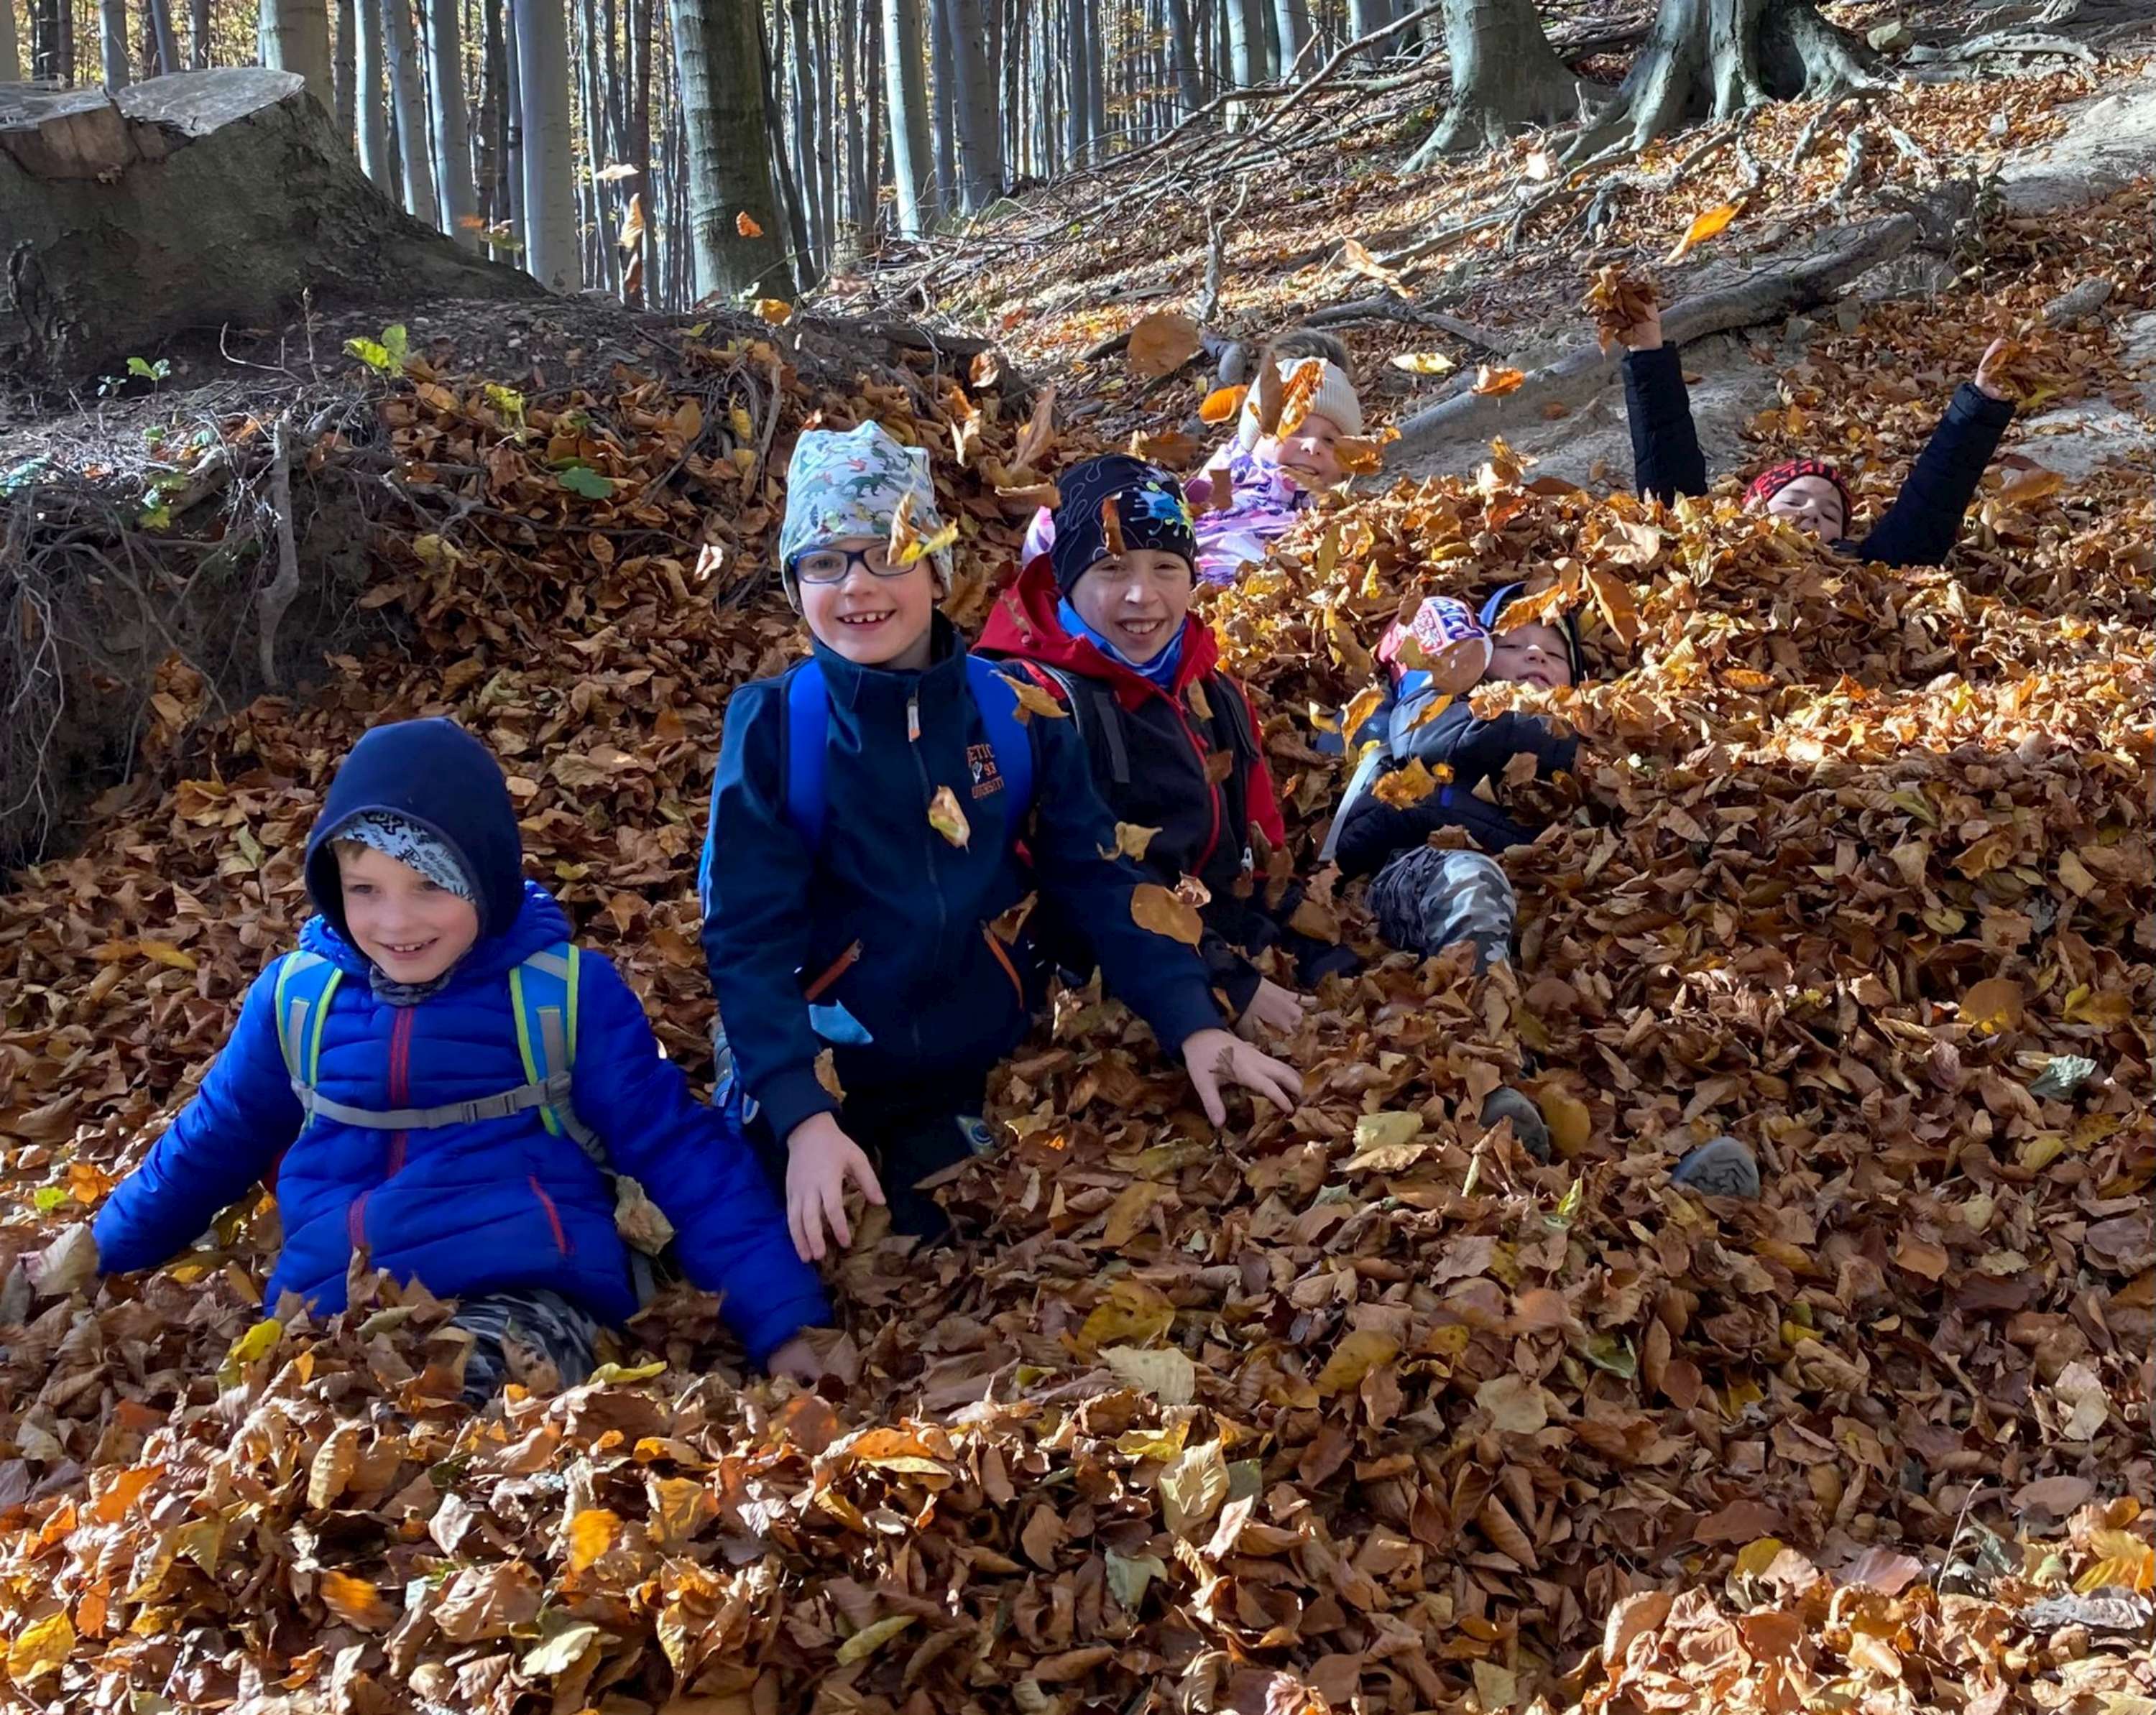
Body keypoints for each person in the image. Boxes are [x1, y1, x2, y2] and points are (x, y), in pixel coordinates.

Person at [699, 423, 1303, 1265]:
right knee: (773, 1259)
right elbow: (746, 936)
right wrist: (800, 1113)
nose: (857, 585)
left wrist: (1191, 1018)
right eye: (825, 562)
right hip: (817, 1060)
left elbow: (1098, 875)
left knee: (955, 1254)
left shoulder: (1016, 708)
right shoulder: (775, 727)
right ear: (796, 583)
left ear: (937, 569)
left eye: (889, 554)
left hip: (970, 1059)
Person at [92, 718, 829, 1400]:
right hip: (328, 1310)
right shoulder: (297, 1000)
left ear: (487, 881)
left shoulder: (561, 994)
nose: (396, 921)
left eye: (430, 886)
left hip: (522, 1293)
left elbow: (679, 1152)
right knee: (297, 1430)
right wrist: (101, 1247)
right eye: (365, 890)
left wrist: (786, 1320)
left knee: (456, 1402)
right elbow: (213, 1138)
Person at [978, 455, 1349, 1043]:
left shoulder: (1214, 690)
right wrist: (1224, 979)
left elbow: (1261, 849)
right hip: (1104, 986)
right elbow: (1072, 890)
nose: (1142, 594)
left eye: (1166, 567)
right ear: (1067, 577)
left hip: (1227, 939)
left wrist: (1307, 939)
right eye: (1112, 568)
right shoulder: (1033, 702)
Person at [1616, 300, 2018, 565]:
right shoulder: (1708, 546)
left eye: (1830, 515)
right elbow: (1667, 464)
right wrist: (1648, 352)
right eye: (1794, 500)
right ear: (1750, 508)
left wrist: (1979, 406)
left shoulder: (1863, 569)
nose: (1811, 512)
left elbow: (1931, 502)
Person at [1186, 348, 1367, 586]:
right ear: (1254, 440)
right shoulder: (1216, 495)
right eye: (1294, 429)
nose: (1313, 445)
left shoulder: (1347, 522)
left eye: (1330, 441)